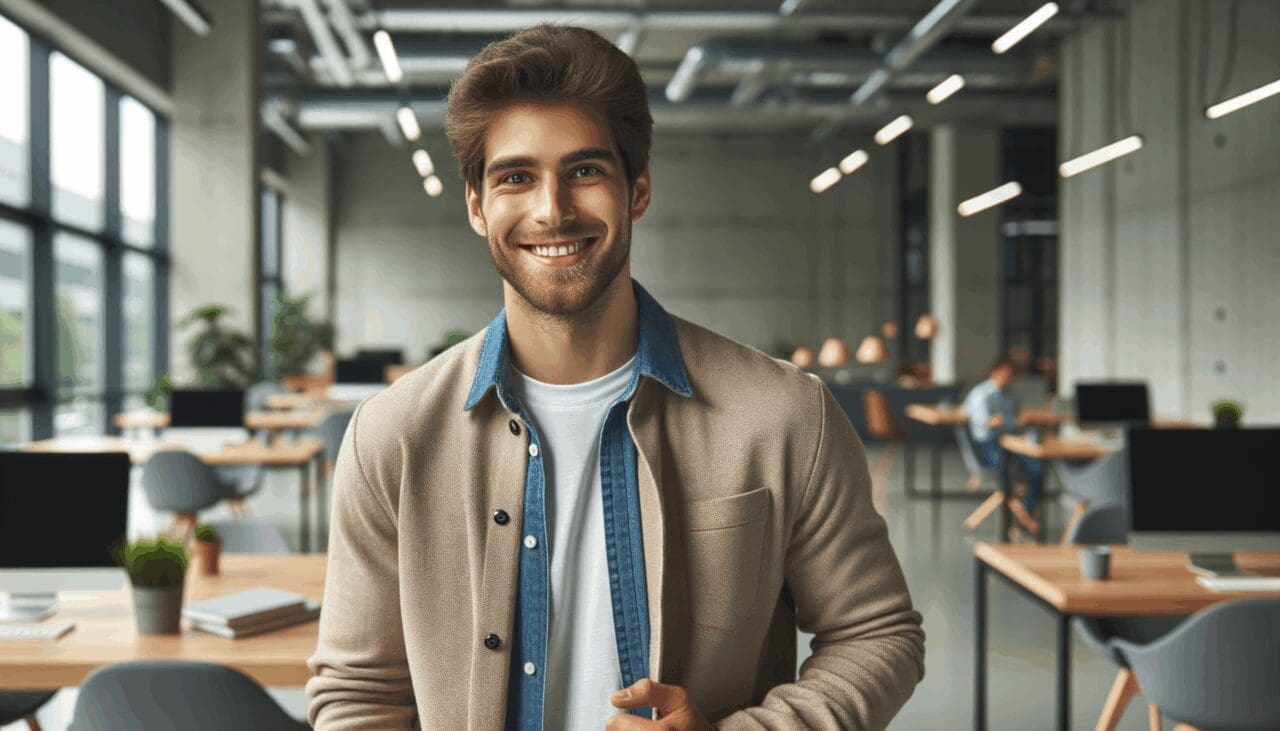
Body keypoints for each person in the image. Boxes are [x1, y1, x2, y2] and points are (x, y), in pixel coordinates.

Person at [307, 25, 924, 730]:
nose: (552, 209)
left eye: (585, 171)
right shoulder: (392, 436)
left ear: (638, 190)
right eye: (515, 176)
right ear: (477, 205)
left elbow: (879, 633)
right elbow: (357, 697)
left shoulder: (784, 414)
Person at [962, 360, 1044, 533]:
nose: (1009, 378)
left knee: (1037, 468)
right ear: (994, 373)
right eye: (1005, 373)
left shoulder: (1011, 394)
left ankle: (1024, 516)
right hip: (987, 445)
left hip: (1011, 443)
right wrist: (1007, 421)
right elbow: (989, 423)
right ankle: (1013, 514)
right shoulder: (981, 394)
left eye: (1011, 374)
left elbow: (1014, 420)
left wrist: (1009, 421)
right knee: (1005, 473)